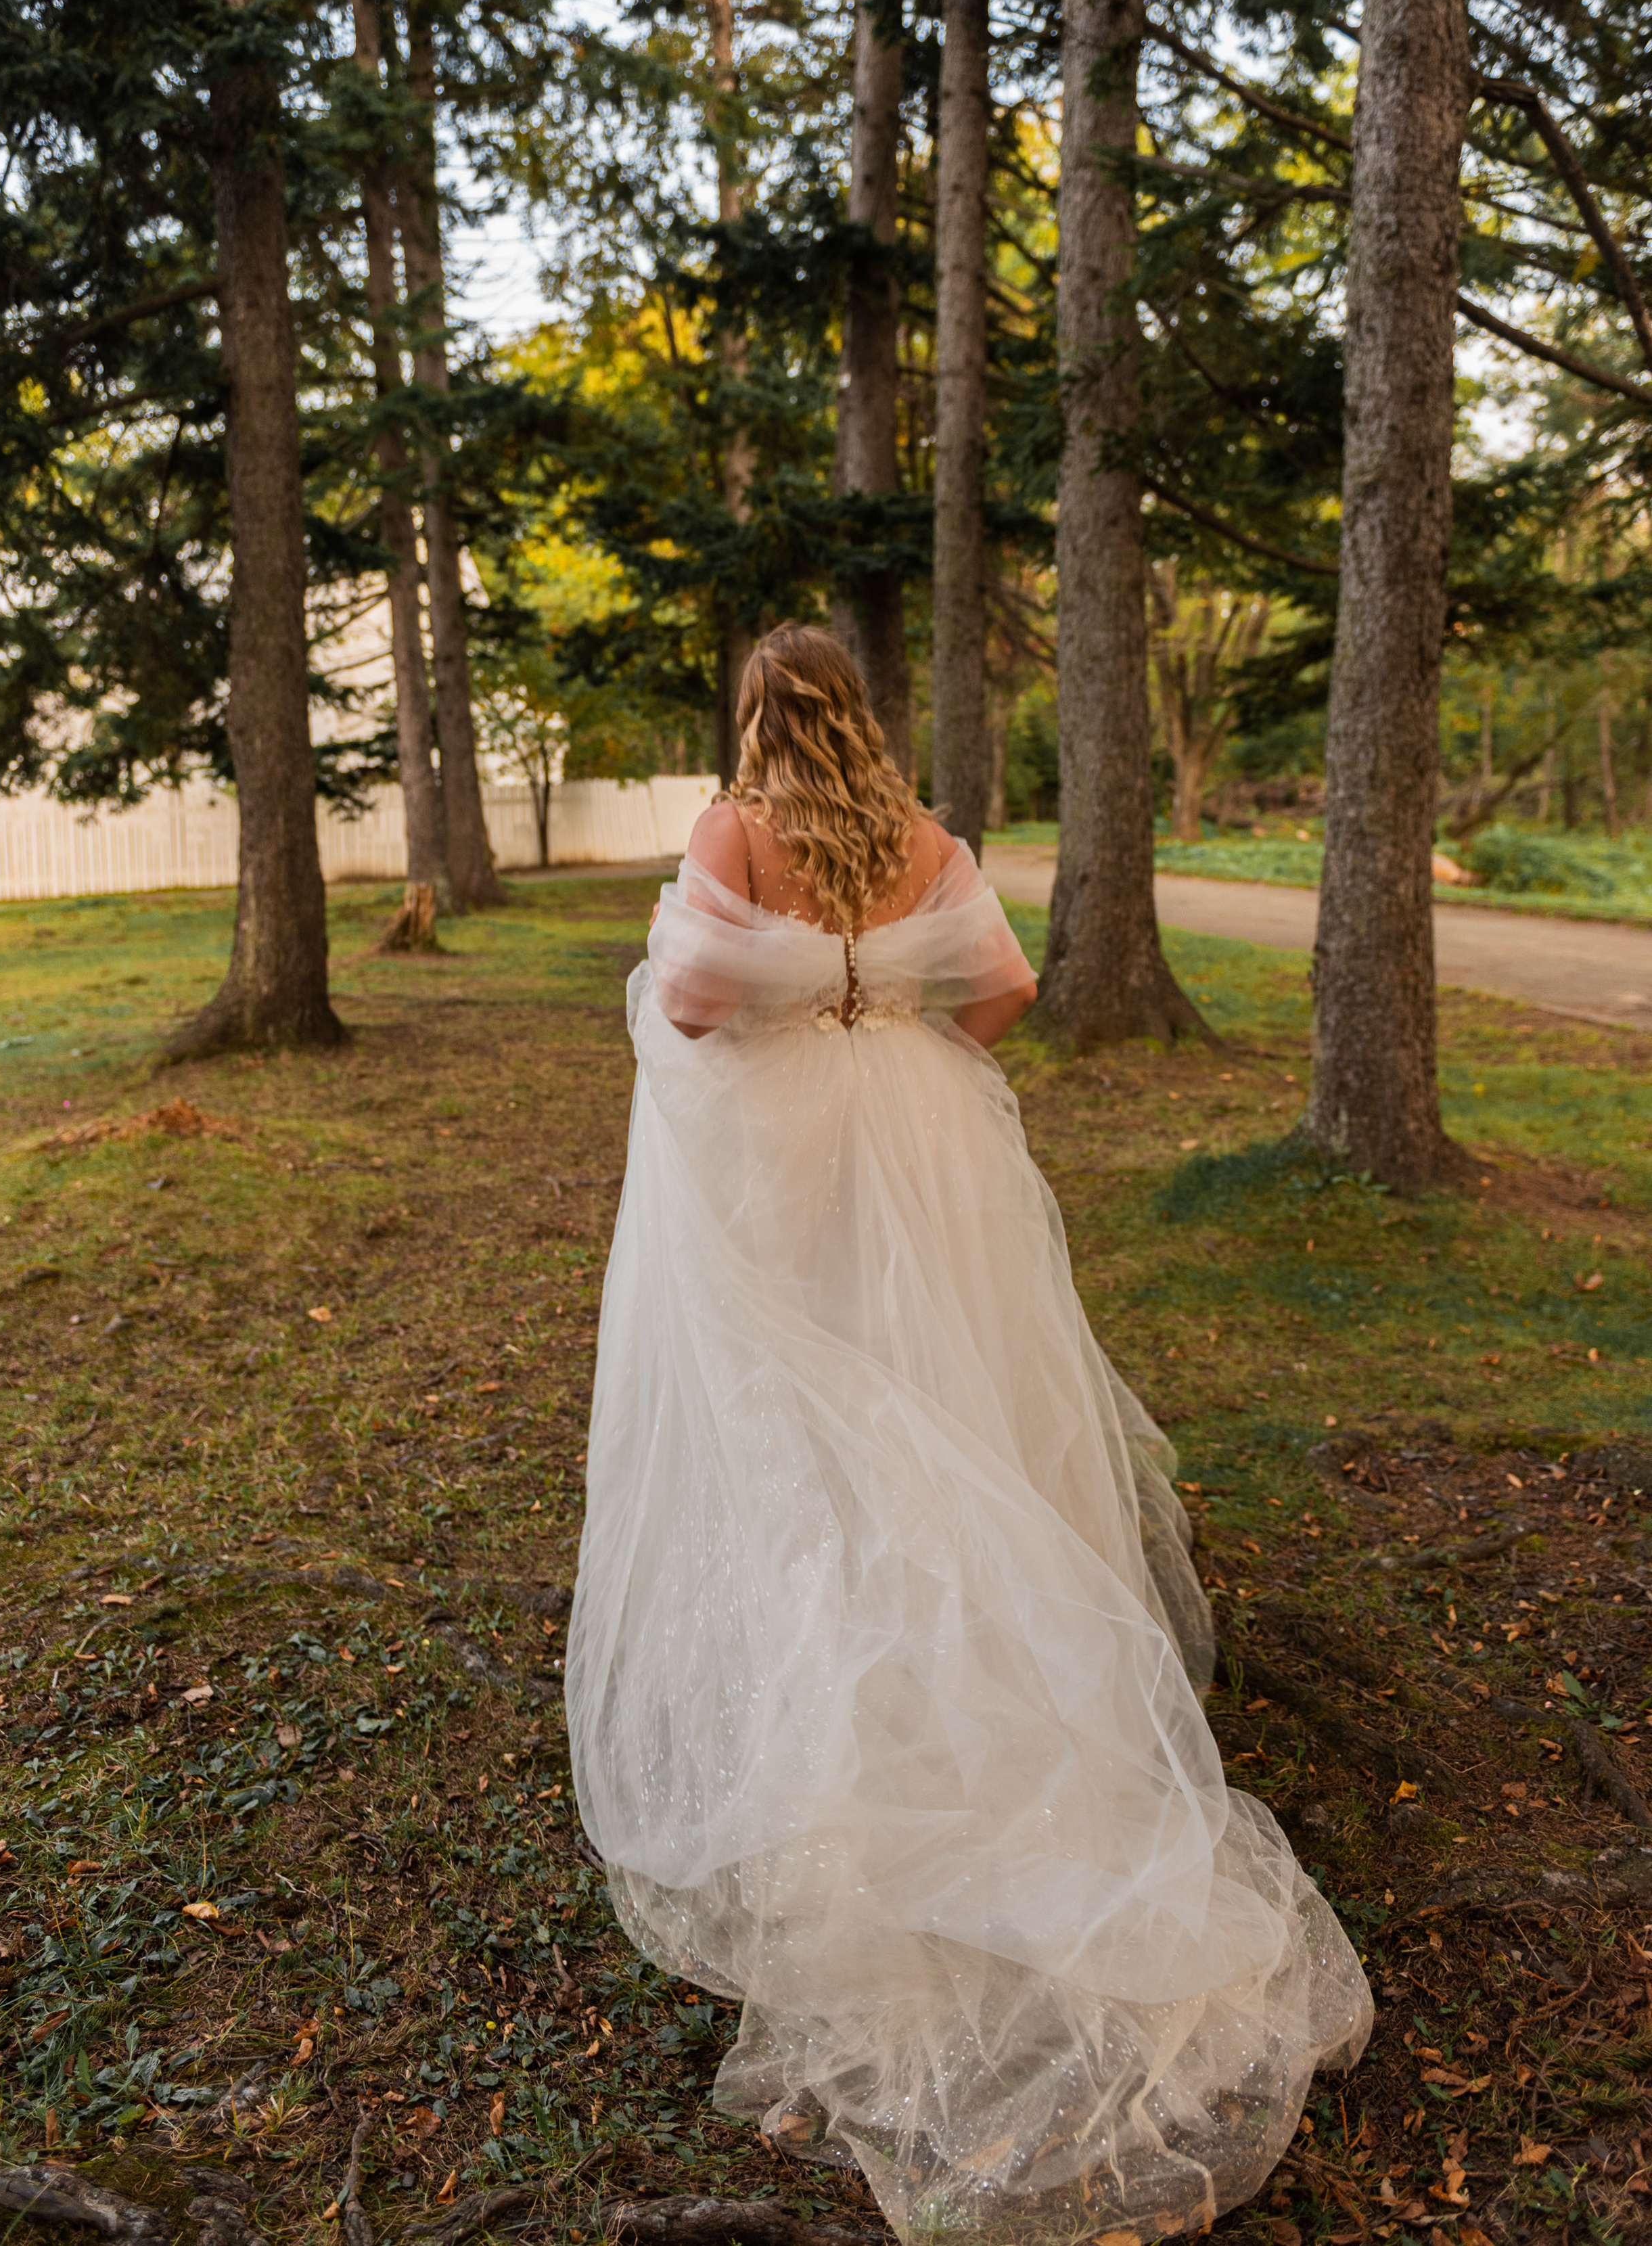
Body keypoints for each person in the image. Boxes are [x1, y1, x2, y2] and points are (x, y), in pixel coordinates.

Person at [566, 624, 1371, 2244]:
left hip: (785, 1151)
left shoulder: (735, 826)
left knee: (809, 1412)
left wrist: (700, 999)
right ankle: (968, 1648)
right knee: (931, 1392)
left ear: (751, 712)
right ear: (854, 710)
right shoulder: (920, 834)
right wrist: (898, 1041)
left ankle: (849, 1691)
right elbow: (998, 992)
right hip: (918, 1137)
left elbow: (705, 998)